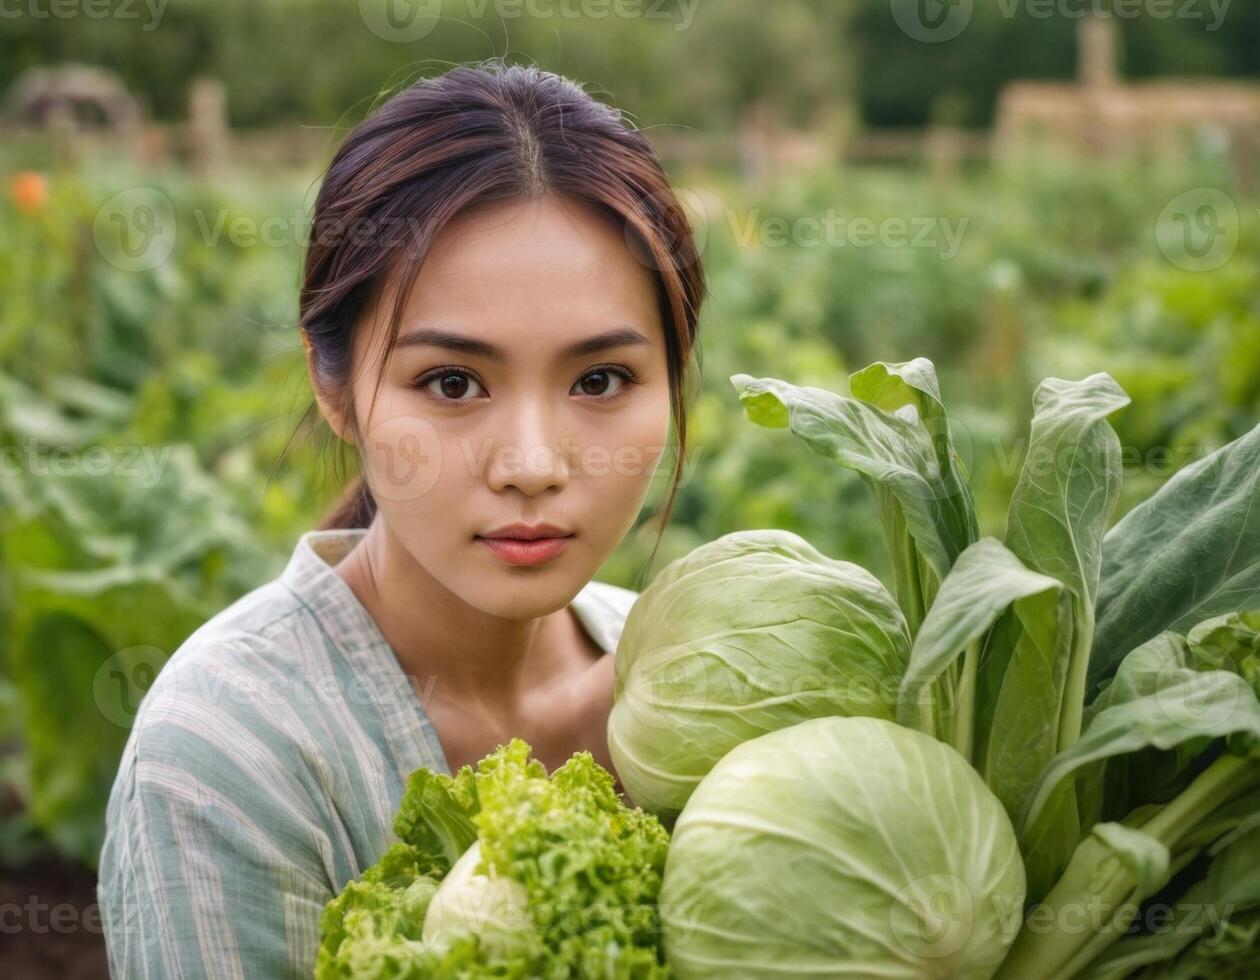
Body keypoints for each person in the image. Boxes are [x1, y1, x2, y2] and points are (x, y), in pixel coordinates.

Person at [96, 58, 705, 978]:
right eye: (452, 383)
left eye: (599, 380)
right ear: (333, 387)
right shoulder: (229, 753)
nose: (532, 466)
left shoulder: (700, 690)